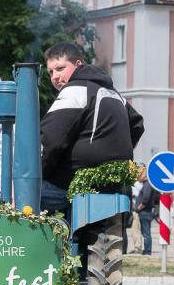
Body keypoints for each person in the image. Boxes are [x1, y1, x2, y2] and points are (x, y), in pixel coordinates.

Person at [39, 42, 143, 217]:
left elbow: (50, 141)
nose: (55, 76)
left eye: (60, 68)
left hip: (71, 182)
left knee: (26, 198)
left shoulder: (75, 90)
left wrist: (39, 172)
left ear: (78, 64)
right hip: (115, 184)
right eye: (51, 72)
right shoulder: (114, 94)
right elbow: (137, 124)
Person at [133, 168, 159, 256]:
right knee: (146, 232)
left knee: (146, 233)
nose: (138, 177)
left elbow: (145, 199)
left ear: (144, 176)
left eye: (139, 175)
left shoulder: (147, 184)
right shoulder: (148, 184)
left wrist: (138, 208)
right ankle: (147, 250)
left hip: (145, 212)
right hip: (146, 211)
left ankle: (147, 251)